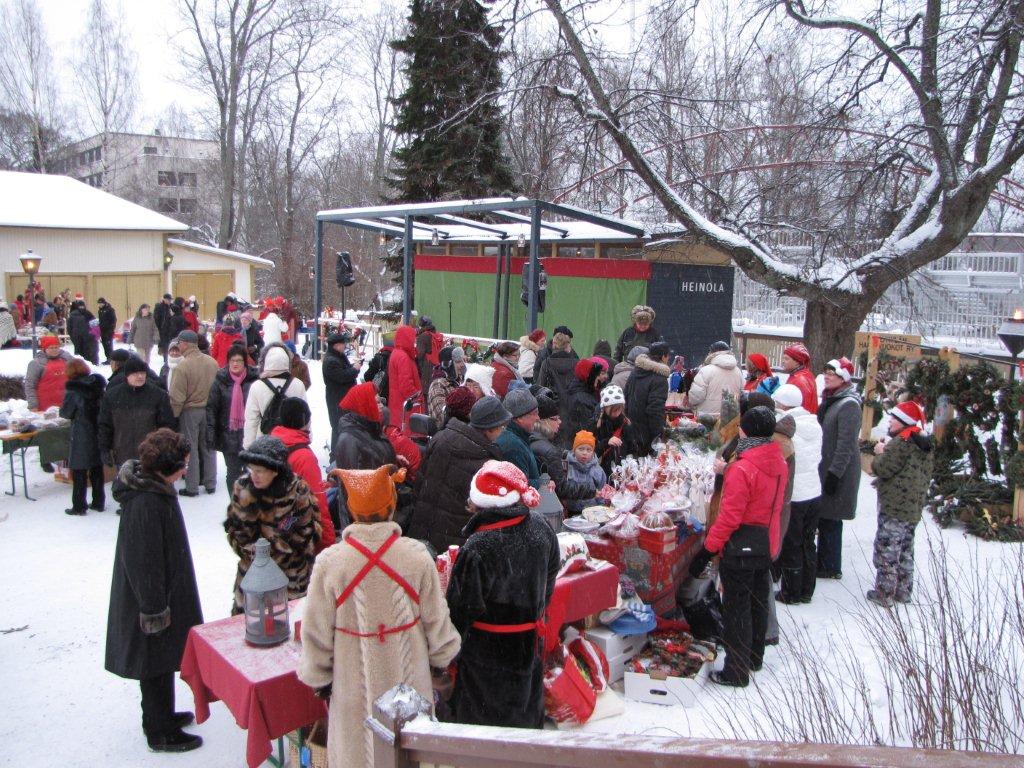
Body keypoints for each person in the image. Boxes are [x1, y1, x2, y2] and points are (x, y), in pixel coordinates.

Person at [298, 465, 461, 768]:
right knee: (410, 756)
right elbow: (437, 622)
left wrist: (319, 676)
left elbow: (316, 632)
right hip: (409, 688)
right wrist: (441, 659)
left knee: (357, 755)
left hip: (351, 688)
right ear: (391, 506)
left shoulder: (330, 563)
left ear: (351, 509)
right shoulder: (416, 556)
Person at [104, 429, 203, 753]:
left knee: (162, 658)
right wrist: (154, 609)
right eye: (183, 464)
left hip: (161, 592)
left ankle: (164, 715)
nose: (186, 470)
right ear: (167, 466)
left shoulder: (155, 489)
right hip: (151, 600)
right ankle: (159, 730)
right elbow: (143, 561)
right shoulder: (146, 502)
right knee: (154, 661)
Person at [446, 460, 560, 727]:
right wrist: (536, 606)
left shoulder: (478, 546)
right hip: (528, 644)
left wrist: (449, 653)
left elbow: (459, 610)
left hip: (486, 654)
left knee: (485, 723)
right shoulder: (541, 526)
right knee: (524, 716)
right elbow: (551, 574)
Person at [688, 406, 788, 688]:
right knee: (757, 603)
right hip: (765, 542)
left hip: (740, 546)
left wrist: (707, 551)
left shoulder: (742, 468)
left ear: (745, 432)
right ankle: (754, 656)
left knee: (737, 609)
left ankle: (736, 670)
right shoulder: (777, 460)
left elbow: (729, 518)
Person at [225, 435, 321, 614]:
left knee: (289, 623)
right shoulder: (243, 489)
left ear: (275, 470)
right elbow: (235, 531)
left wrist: (273, 552)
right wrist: (257, 554)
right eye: (251, 469)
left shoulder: (297, 491)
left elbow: (307, 532)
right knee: (251, 625)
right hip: (253, 579)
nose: (254, 475)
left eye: (260, 471)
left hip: (290, 580)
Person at [406, 395, 507, 551]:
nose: (502, 431)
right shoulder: (486, 463)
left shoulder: (441, 438)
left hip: (420, 533)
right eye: (501, 426)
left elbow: (419, 485)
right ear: (490, 428)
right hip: (454, 543)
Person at [867, 401, 933, 607]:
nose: (890, 421)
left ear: (904, 422)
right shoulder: (922, 442)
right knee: (905, 549)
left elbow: (883, 468)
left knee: (887, 549)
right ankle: (903, 590)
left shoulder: (901, 443)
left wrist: (880, 452)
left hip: (894, 506)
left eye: (894, 419)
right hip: (913, 507)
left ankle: (884, 592)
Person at [772, 383, 823, 604]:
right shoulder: (813, 424)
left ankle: (791, 591)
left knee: (791, 542)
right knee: (808, 542)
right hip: (814, 490)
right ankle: (806, 589)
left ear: (783, 405)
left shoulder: (785, 427)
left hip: (795, 493)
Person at [271, 398, 336, 551]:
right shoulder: (303, 456)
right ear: (304, 420)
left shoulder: (273, 444)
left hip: (275, 531)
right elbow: (317, 502)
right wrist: (328, 542)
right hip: (298, 538)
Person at [816, 357, 861, 580]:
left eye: (831, 374)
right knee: (826, 515)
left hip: (838, 470)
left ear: (843, 378)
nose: (826, 377)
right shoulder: (833, 399)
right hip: (828, 466)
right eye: (825, 373)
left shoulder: (849, 405)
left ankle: (830, 565)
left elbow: (846, 444)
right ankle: (825, 560)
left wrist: (835, 473)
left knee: (832, 517)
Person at [99, 356, 177, 472]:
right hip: (123, 453)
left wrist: (166, 449)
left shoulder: (158, 395)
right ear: (127, 375)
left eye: (142, 373)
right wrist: (104, 449)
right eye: (135, 373)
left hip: (151, 455)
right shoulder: (112, 396)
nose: (140, 376)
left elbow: (167, 425)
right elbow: (105, 425)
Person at [168, 331, 219, 496]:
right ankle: (210, 483)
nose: (178, 346)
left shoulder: (183, 366)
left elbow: (177, 396)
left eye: (179, 343)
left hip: (190, 411)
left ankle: (192, 486)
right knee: (208, 447)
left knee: (191, 449)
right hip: (209, 410)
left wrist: (174, 416)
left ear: (185, 344)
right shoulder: (212, 362)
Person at [529, 390, 596, 510]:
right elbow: (562, 488)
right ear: (544, 421)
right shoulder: (549, 451)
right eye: (555, 419)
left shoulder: (533, 439)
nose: (560, 422)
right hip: (550, 506)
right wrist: (593, 490)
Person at [207, 344, 259, 494]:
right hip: (227, 435)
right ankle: (235, 501)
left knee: (252, 472)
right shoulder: (220, 380)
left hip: (250, 434)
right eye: (232, 360)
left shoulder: (254, 380)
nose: (235, 364)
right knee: (233, 472)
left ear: (245, 362)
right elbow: (211, 408)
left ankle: (250, 502)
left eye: (239, 360)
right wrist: (211, 434)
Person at [60, 357, 107, 515]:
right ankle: (99, 502)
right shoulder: (97, 385)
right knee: (97, 468)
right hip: (98, 430)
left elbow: (67, 412)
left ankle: (79, 506)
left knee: (79, 470)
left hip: (82, 432)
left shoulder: (73, 390)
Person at [243, 344, 306, 449]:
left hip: (264, 444)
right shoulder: (298, 384)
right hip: (292, 444)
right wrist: (305, 440)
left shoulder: (257, 386)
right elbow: (305, 415)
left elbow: (251, 420)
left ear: (265, 362)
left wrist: (248, 446)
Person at [332, 382, 397, 471]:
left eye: (381, 402)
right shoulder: (349, 441)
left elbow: (372, 457)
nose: (382, 406)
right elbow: (352, 478)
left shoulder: (371, 427)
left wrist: (392, 459)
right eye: (377, 402)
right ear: (365, 406)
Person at [625, 341, 672, 456]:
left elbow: (626, 397)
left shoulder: (635, 372)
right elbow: (655, 410)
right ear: (663, 357)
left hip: (631, 430)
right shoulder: (659, 378)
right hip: (647, 434)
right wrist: (659, 436)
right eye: (668, 356)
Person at [535, 331, 577, 447]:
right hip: (572, 407)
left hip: (552, 408)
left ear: (554, 345)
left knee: (552, 442)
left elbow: (540, 387)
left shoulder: (547, 363)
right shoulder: (576, 363)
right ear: (567, 346)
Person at [496, 388, 543, 488]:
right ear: (520, 417)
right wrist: (543, 484)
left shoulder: (518, 437)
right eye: (535, 413)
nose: (538, 418)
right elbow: (519, 485)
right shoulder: (512, 446)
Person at [593, 384, 643, 476]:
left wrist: (631, 464)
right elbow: (591, 452)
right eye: (613, 409)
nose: (617, 413)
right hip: (602, 473)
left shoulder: (625, 424)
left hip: (623, 473)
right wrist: (607, 442)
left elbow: (632, 449)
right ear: (604, 408)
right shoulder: (597, 425)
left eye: (619, 409)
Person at [323, 331, 360, 450]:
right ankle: (335, 455)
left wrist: (354, 367)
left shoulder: (338, 356)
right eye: (343, 343)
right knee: (338, 426)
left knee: (344, 426)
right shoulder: (331, 361)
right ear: (337, 345)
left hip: (342, 397)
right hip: (337, 399)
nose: (345, 345)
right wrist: (355, 369)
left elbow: (345, 371)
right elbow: (342, 376)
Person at [688, 341, 744, 418]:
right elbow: (742, 395)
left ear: (712, 353)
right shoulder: (738, 372)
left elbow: (695, 397)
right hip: (730, 418)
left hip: (707, 418)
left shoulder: (706, 370)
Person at [25, 335, 73, 412]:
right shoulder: (36, 363)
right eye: (51, 348)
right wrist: (33, 405)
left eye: (56, 347)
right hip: (45, 408)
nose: (54, 350)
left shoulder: (67, 360)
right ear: (44, 349)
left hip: (66, 405)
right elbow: (30, 386)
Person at [564, 430, 607, 515]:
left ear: (593, 452)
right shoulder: (566, 467)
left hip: (593, 511)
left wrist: (602, 508)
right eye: (581, 449)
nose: (584, 453)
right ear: (574, 450)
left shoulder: (597, 470)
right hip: (572, 512)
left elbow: (601, 490)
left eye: (589, 450)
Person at [387, 325, 421, 430]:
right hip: (406, 406)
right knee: (406, 432)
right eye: (413, 338)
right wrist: (417, 397)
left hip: (397, 403)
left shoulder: (396, 353)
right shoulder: (403, 357)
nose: (414, 341)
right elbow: (406, 385)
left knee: (397, 430)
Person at [565, 357, 605, 438]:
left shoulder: (585, 392)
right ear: (588, 377)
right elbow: (588, 428)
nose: (598, 378)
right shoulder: (581, 399)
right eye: (596, 375)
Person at [426, 346, 466, 425]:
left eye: (463, 361)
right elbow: (442, 416)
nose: (462, 365)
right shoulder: (438, 385)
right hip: (445, 430)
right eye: (458, 362)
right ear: (448, 365)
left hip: (460, 428)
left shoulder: (459, 381)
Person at [781, 343, 818, 413]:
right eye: (783, 358)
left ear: (797, 362)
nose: (783, 361)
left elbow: (803, 406)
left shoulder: (800, 380)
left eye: (786, 359)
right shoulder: (802, 375)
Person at [416, 315, 442, 396]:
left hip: (426, 368)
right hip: (437, 366)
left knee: (426, 393)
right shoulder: (436, 335)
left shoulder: (422, 336)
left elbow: (420, 354)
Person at [67, 300, 99, 364]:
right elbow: (95, 325)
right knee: (87, 351)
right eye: (80, 306)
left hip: (79, 336)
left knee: (79, 352)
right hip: (85, 336)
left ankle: (80, 364)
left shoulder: (72, 314)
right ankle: (89, 363)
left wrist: (72, 335)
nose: (81, 308)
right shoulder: (88, 313)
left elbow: (69, 327)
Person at [153, 294, 173, 360]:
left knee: (169, 345)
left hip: (170, 329)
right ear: (164, 299)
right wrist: (158, 329)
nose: (170, 301)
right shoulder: (159, 307)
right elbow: (156, 318)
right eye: (168, 300)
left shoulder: (171, 307)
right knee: (165, 345)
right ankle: (165, 359)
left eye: (170, 300)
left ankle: (167, 358)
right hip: (162, 330)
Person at [97, 297, 117, 364]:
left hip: (108, 331)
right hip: (102, 331)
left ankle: (111, 359)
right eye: (99, 303)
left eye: (101, 303)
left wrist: (111, 329)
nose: (100, 305)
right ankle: (108, 358)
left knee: (109, 345)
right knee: (105, 345)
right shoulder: (100, 311)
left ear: (104, 303)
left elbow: (113, 320)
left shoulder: (110, 310)